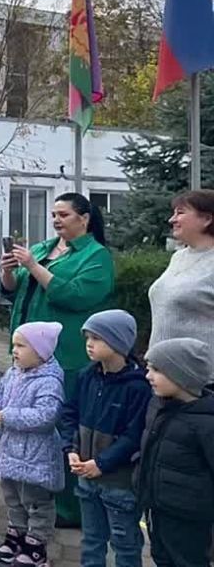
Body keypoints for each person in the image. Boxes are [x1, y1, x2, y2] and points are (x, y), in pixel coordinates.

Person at [1, 192, 114, 526]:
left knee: (63, 429)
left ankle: (70, 508)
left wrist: (33, 267)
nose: (56, 220)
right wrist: (9, 271)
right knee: (32, 425)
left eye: (63, 214)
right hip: (27, 355)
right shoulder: (42, 248)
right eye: (53, 214)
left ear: (85, 218)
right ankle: (37, 499)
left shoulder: (97, 256)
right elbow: (13, 289)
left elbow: (75, 295)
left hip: (66, 356)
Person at [59, 310, 151, 567]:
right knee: (91, 539)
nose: (89, 343)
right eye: (88, 337)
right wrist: (71, 448)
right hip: (86, 477)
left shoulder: (138, 386)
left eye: (97, 338)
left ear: (119, 342)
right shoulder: (86, 375)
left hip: (119, 483)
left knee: (125, 543)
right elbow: (70, 413)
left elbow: (134, 436)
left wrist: (102, 463)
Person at [0, 322, 65, 566]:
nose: (14, 351)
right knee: (12, 496)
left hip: (35, 457)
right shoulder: (14, 372)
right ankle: (16, 533)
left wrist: (7, 415)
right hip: (9, 452)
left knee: (37, 501)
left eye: (21, 345)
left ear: (41, 351)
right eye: (13, 345)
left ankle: (36, 543)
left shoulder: (49, 381)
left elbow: (46, 416)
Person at [138, 338, 214, 567]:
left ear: (183, 375)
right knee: (162, 558)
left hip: (188, 518)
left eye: (157, 370)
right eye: (148, 368)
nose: (148, 376)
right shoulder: (158, 407)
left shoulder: (206, 423)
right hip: (156, 509)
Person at [148, 190, 214, 384]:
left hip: (201, 382)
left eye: (180, 213)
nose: (172, 219)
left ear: (207, 219)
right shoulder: (178, 257)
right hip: (163, 376)